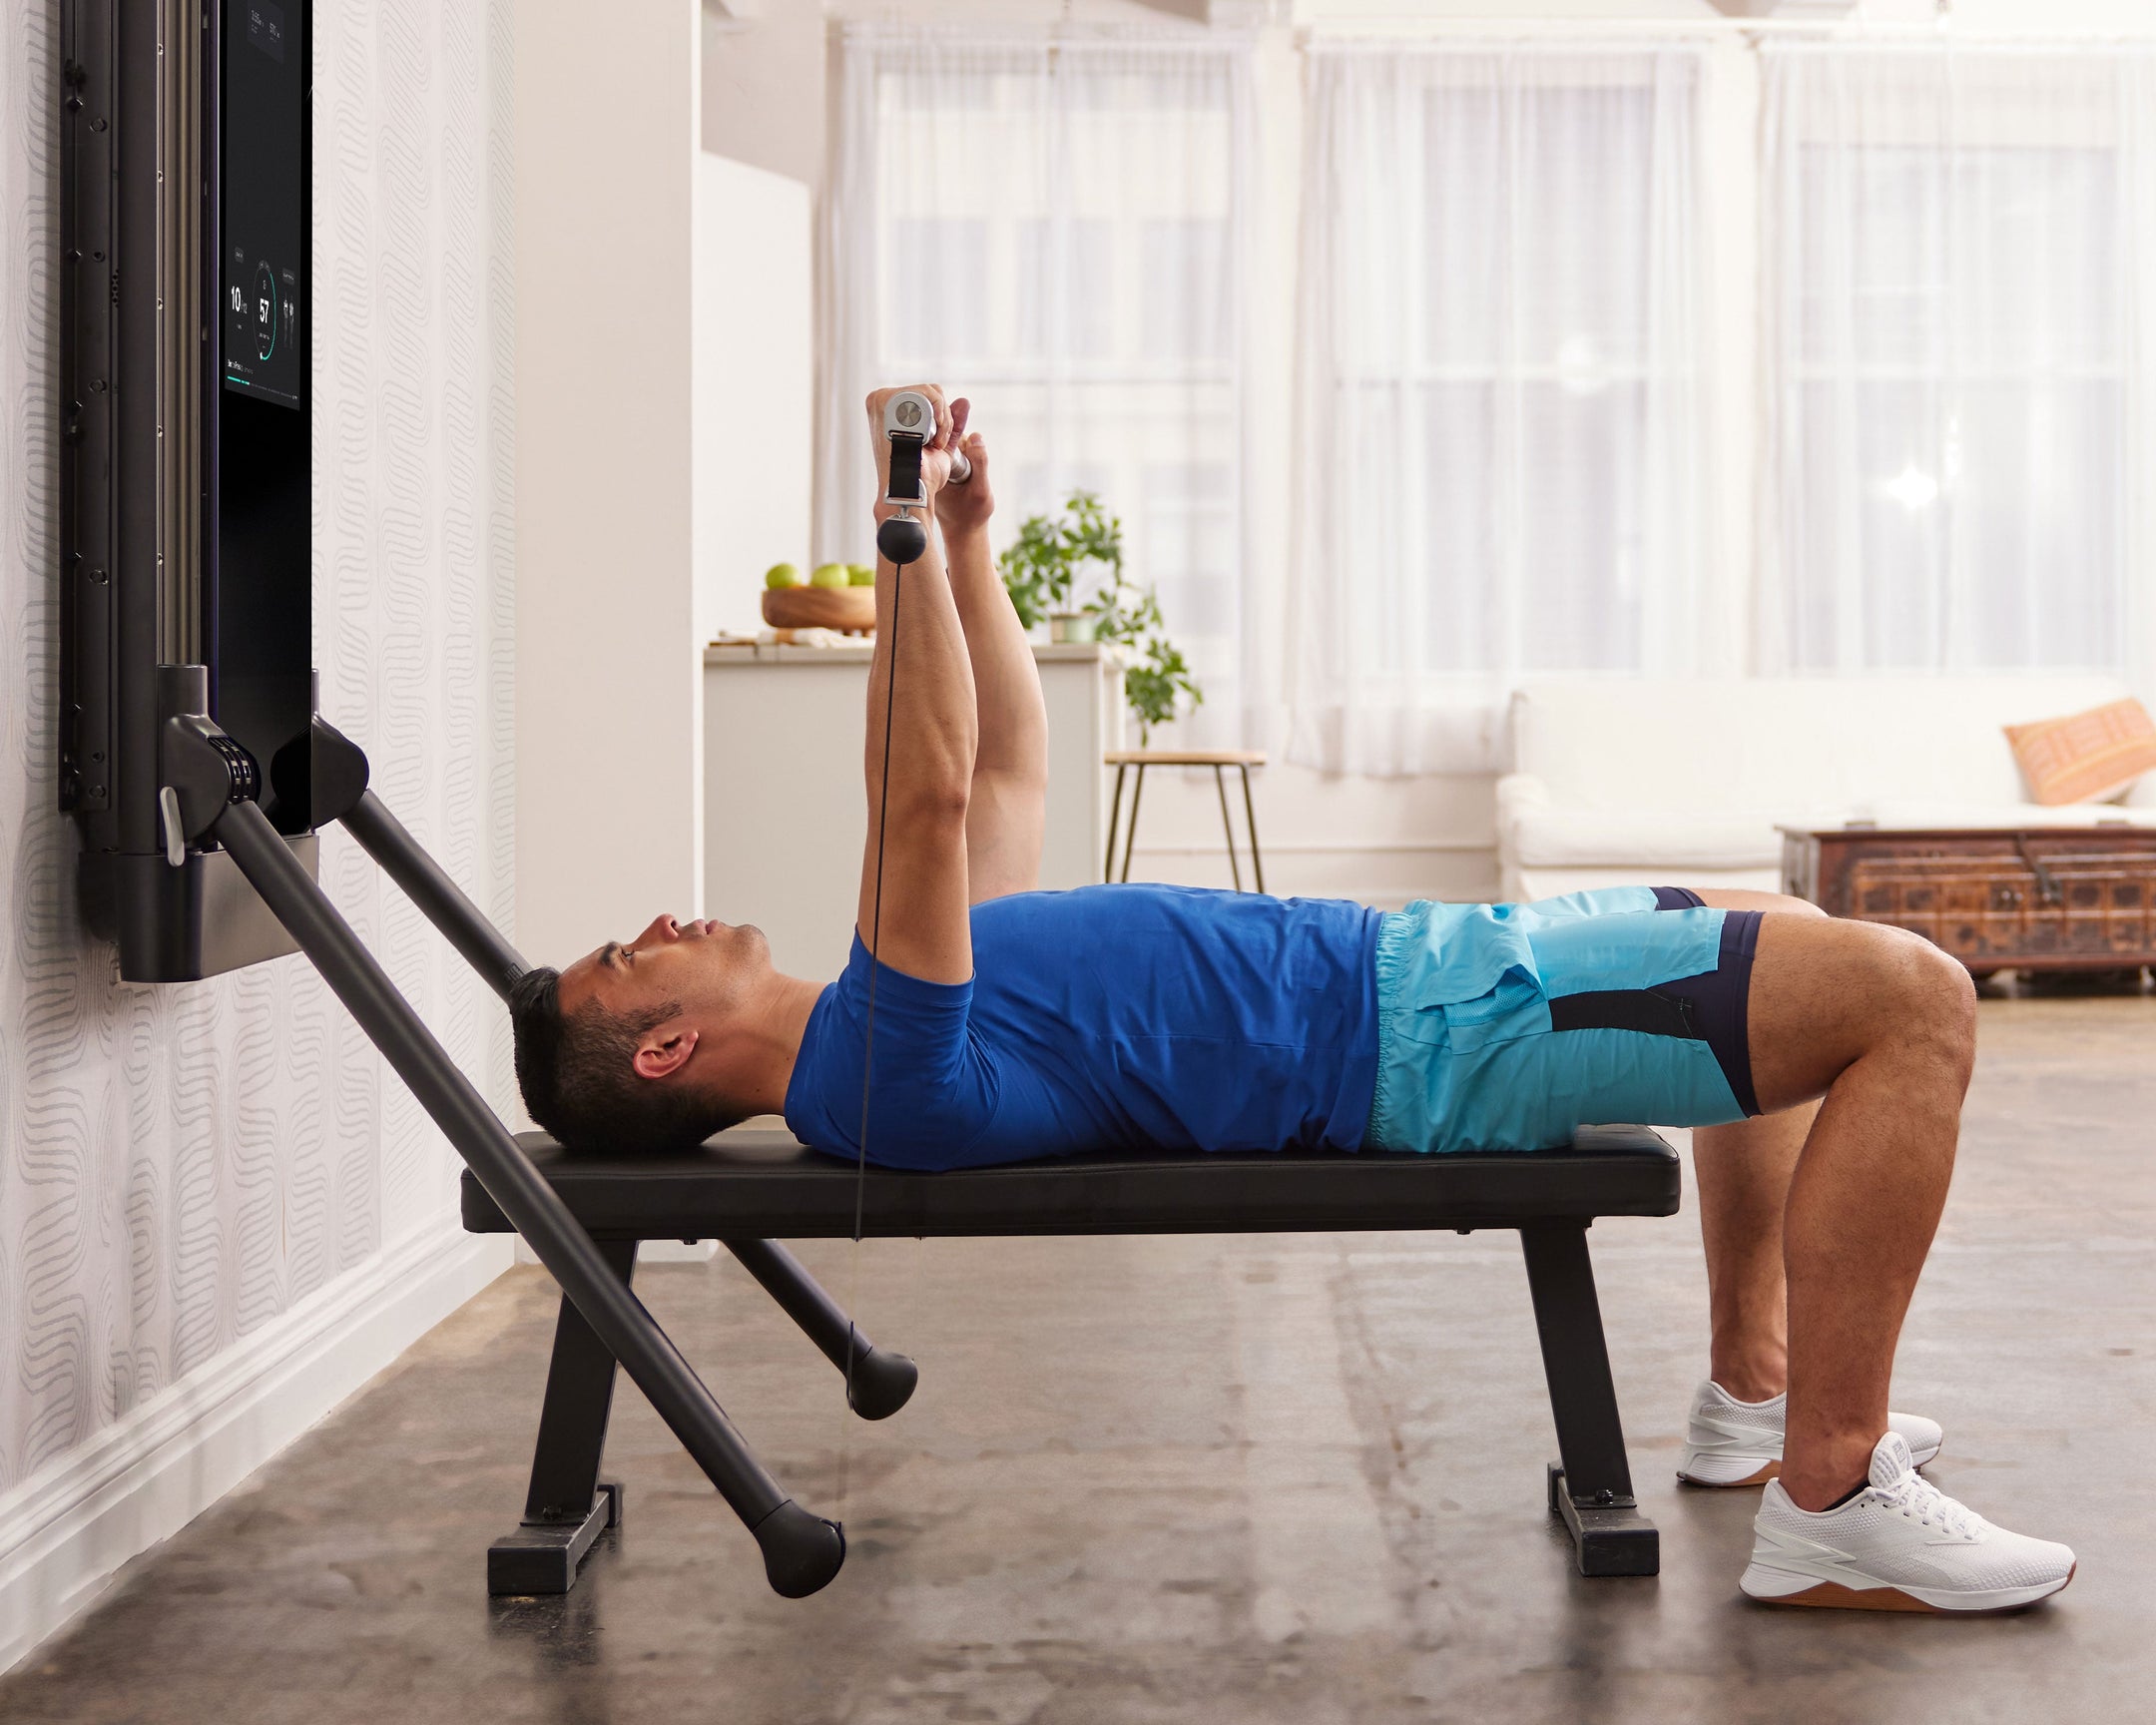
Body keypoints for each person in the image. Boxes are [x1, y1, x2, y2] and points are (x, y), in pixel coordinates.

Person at [510, 385, 2075, 1616]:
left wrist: (968, 543)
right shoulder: (872, 1065)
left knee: (1786, 926)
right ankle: (1831, 1493)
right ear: (664, 1045)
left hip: (1443, 976)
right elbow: (917, 803)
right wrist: (896, 512)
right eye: (625, 954)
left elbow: (996, 774)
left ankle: (1754, 1398)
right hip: (1448, 1032)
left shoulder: (894, 1004)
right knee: (1915, 1000)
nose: (657, 923)